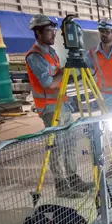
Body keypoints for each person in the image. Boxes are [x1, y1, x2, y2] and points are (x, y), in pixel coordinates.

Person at [26, 14, 91, 198]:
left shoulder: (51, 52)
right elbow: (48, 83)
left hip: (62, 105)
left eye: (54, 31)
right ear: (38, 33)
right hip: (49, 109)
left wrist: (70, 71)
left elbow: (59, 74)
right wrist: (65, 73)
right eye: (49, 31)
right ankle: (61, 185)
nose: (53, 34)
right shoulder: (35, 56)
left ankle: (73, 177)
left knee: (70, 143)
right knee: (57, 147)